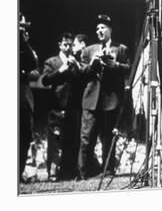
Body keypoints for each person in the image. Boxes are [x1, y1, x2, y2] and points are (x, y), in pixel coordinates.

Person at [78, 15, 130, 179]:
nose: (99, 31)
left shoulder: (121, 49)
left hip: (111, 100)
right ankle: (83, 172)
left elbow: (128, 68)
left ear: (110, 30)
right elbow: (81, 73)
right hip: (92, 100)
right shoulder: (88, 50)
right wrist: (93, 63)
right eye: (97, 28)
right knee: (87, 138)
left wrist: (115, 65)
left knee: (108, 138)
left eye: (103, 28)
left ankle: (108, 170)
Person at [40, 32, 82, 180]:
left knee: (71, 141)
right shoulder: (51, 62)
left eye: (71, 44)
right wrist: (61, 70)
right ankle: (53, 173)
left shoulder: (75, 61)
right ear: (60, 45)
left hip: (72, 108)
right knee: (55, 142)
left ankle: (68, 171)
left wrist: (76, 66)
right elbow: (45, 80)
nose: (68, 47)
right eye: (65, 44)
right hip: (56, 107)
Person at [19, 14, 40, 182]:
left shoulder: (27, 48)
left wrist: (23, 43)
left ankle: (18, 173)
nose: (22, 30)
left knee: (25, 136)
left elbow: (34, 68)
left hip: (23, 98)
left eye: (24, 27)